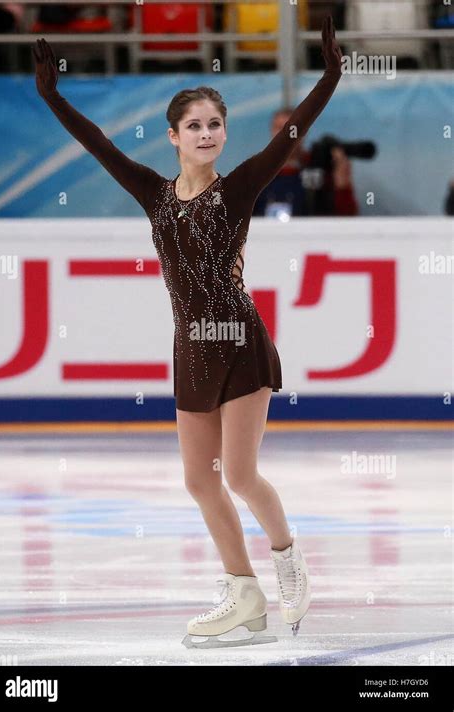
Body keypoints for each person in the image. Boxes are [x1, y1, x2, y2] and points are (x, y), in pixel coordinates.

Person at [32, 15, 342, 648]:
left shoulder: (240, 189)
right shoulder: (154, 194)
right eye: (193, 125)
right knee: (198, 480)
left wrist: (332, 74)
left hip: (240, 342)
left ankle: (287, 559)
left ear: (225, 133)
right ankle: (243, 593)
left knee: (239, 476)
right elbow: (100, 146)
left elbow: (293, 131)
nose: (206, 133)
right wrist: (54, 96)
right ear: (173, 137)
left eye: (215, 124)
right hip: (191, 348)